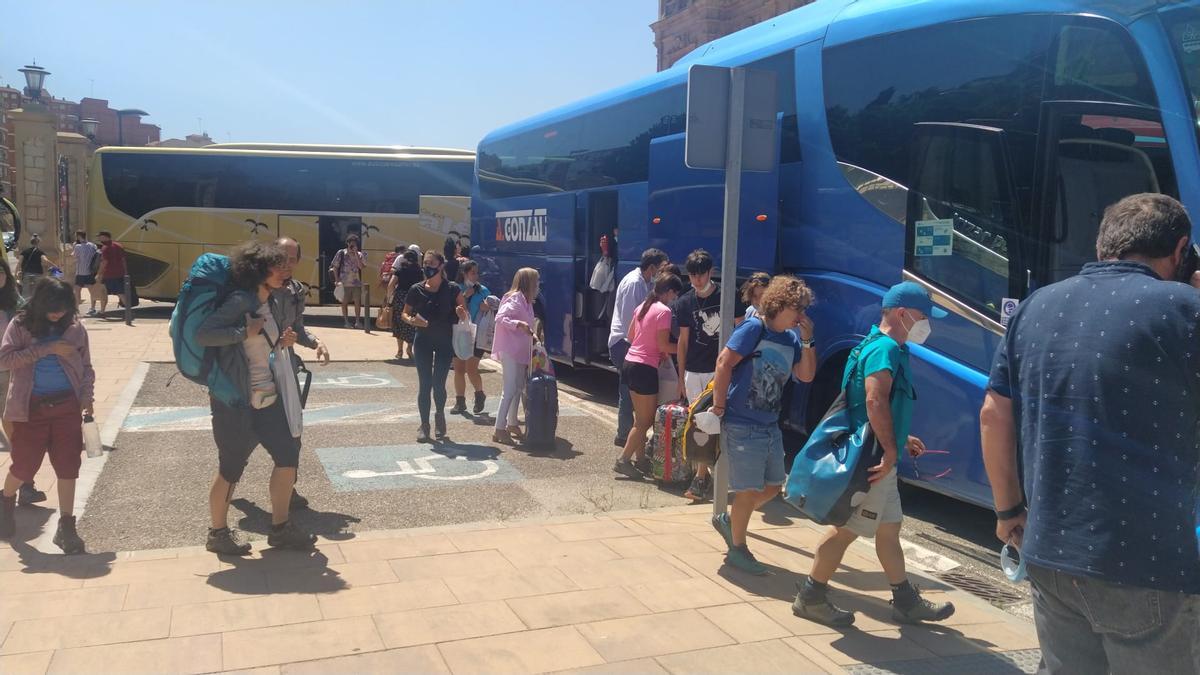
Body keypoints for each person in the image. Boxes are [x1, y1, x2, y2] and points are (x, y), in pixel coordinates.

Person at [980, 193, 1200, 673]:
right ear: (1180, 249)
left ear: (1104, 247)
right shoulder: (1186, 310)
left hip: (1048, 552)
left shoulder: (1036, 306)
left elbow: (993, 413)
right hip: (1146, 563)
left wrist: (1008, 510)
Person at [792, 281, 953, 625]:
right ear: (902, 314)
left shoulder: (874, 345)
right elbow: (874, 400)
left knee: (889, 529)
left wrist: (900, 436)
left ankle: (905, 600)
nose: (927, 324)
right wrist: (892, 450)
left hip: (879, 454)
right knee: (845, 530)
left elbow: (871, 407)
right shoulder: (886, 350)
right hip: (877, 461)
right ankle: (811, 596)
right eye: (923, 316)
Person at [196, 242, 315, 555]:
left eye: (287, 264)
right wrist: (241, 333)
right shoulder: (240, 301)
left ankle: (280, 527)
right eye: (279, 266)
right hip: (235, 400)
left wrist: (284, 341)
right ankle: (217, 533)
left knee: (288, 455)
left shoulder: (271, 301)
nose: (286, 269)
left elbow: (264, 346)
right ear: (260, 272)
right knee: (231, 467)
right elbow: (204, 334)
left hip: (266, 396)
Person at [708, 275, 816, 573]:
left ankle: (732, 521)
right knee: (747, 490)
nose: (801, 316)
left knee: (772, 486)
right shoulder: (754, 328)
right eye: (798, 309)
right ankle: (738, 550)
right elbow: (724, 362)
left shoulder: (792, 339)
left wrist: (807, 341)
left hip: (769, 423)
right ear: (781, 305)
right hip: (743, 422)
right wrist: (719, 406)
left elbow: (805, 376)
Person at [0, 277, 95, 553]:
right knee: (24, 465)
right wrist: (48, 348)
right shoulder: (20, 326)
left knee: (68, 466)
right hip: (30, 408)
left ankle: (67, 527)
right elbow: (5, 360)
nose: (58, 314)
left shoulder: (76, 328)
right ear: (40, 305)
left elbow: (86, 366)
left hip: (67, 407)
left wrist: (87, 396)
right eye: (53, 308)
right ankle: (6, 501)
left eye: (63, 308)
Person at [271, 237, 331, 511]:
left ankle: (289, 486)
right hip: (259, 369)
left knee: (293, 429)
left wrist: (316, 342)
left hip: (286, 366)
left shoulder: (296, 291)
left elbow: (298, 328)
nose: (287, 264)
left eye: (292, 259)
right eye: (282, 257)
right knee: (247, 433)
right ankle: (230, 478)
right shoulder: (258, 288)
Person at [613, 272, 683, 478]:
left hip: (629, 363)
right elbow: (663, 344)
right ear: (670, 292)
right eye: (675, 294)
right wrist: (683, 347)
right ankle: (623, 460)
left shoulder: (642, 307)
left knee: (639, 419)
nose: (675, 298)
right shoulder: (664, 312)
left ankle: (641, 460)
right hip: (645, 368)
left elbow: (632, 336)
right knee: (644, 422)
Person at [400, 250, 468, 442]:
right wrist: (413, 321)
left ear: (441, 266)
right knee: (425, 384)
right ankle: (424, 425)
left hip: (445, 342)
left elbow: (464, 312)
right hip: (422, 341)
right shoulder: (416, 289)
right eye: (425, 263)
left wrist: (462, 313)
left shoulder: (453, 288)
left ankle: (439, 415)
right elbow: (405, 314)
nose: (427, 267)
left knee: (439, 384)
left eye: (431, 263)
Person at [608, 248, 670, 447]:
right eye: (660, 268)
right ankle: (624, 436)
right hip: (623, 343)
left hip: (631, 343)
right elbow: (631, 322)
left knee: (630, 393)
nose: (662, 273)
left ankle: (629, 436)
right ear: (651, 267)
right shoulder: (634, 283)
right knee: (627, 393)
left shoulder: (646, 282)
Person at [674, 249, 722, 501]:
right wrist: (681, 377)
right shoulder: (684, 302)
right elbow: (683, 341)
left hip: (719, 370)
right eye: (692, 276)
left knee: (720, 422)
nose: (697, 281)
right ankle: (702, 475)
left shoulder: (726, 297)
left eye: (701, 276)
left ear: (710, 272)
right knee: (700, 424)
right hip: (694, 370)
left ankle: (708, 476)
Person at [0, 258, 44, 507]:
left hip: (9, 374)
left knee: (16, 433)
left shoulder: (15, 305)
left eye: (1, 272)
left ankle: (25, 484)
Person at [492, 268, 538, 445]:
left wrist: (531, 334)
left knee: (518, 387)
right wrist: (518, 324)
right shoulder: (515, 298)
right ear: (528, 282)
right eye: (536, 281)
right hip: (510, 349)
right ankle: (499, 428)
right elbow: (500, 317)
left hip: (519, 349)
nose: (538, 284)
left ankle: (511, 423)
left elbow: (528, 324)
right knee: (510, 388)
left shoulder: (526, 301)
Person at [450, 260, 491, 415]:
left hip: (477, 334)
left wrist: (487, 307)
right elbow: (451, 309)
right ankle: (460, 402)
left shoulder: (483, 291)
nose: (476, 276)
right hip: (460, 332)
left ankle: (479, 394)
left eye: (477, 272)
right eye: (472, 272)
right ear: (464, 273)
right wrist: (465, 297)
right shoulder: (456, 289)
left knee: (471, 369)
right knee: (458, 368)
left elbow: (494, 308)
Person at [388, 249, 423, 360]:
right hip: (414, 299)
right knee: (412, 323)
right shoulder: (420, 271)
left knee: (399, 323)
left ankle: (399, 351)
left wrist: (389, 299)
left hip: (400, 298)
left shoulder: (400, 270)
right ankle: (409, 348)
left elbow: (391, 285)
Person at [329, 234, 367, 328]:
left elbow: (361, 267)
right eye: (351, 244)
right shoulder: (341, 253)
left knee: (357, 302)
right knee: (344, 302)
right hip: (344, 282)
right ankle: (346, 322)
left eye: (354, 244)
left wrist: (356, 254)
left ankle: (357, 322)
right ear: (347, 243)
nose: (352, 246)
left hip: (356, 282)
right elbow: (335, 267)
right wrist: (337, 280)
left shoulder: (360, 254)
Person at [16, 234, 61, 301]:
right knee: (37, 292)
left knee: (26, 293)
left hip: (26, 274)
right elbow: (45, 260)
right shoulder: (40, 252)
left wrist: (15, 273)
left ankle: (25, 307)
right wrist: (55, 266)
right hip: (37, 274)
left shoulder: (24, 252)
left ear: (31, 242)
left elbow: (19, 263)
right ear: (38, 243)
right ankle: (36, 307)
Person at [94, 231, 127, 316]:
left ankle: (102, 311)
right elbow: (123, 260)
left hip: (108, 273)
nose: (99, 239)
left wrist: (98, 274)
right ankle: (128, 311)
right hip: (120, 273)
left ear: (105, 237)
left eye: (100, 237)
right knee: (120, 292)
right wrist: (125, 272)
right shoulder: (119, 246)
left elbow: (104, 262)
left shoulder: (105, 248)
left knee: (103, 292)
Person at [71, 231, 100, 315]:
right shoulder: (92, 245)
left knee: (77, 291)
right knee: (92, 292)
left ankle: (76, 309)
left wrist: (73, 247)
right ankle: (93, 308)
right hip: (90, 272)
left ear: (79, 236)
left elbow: (74, 256)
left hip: (80, 272)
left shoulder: (77, 246)